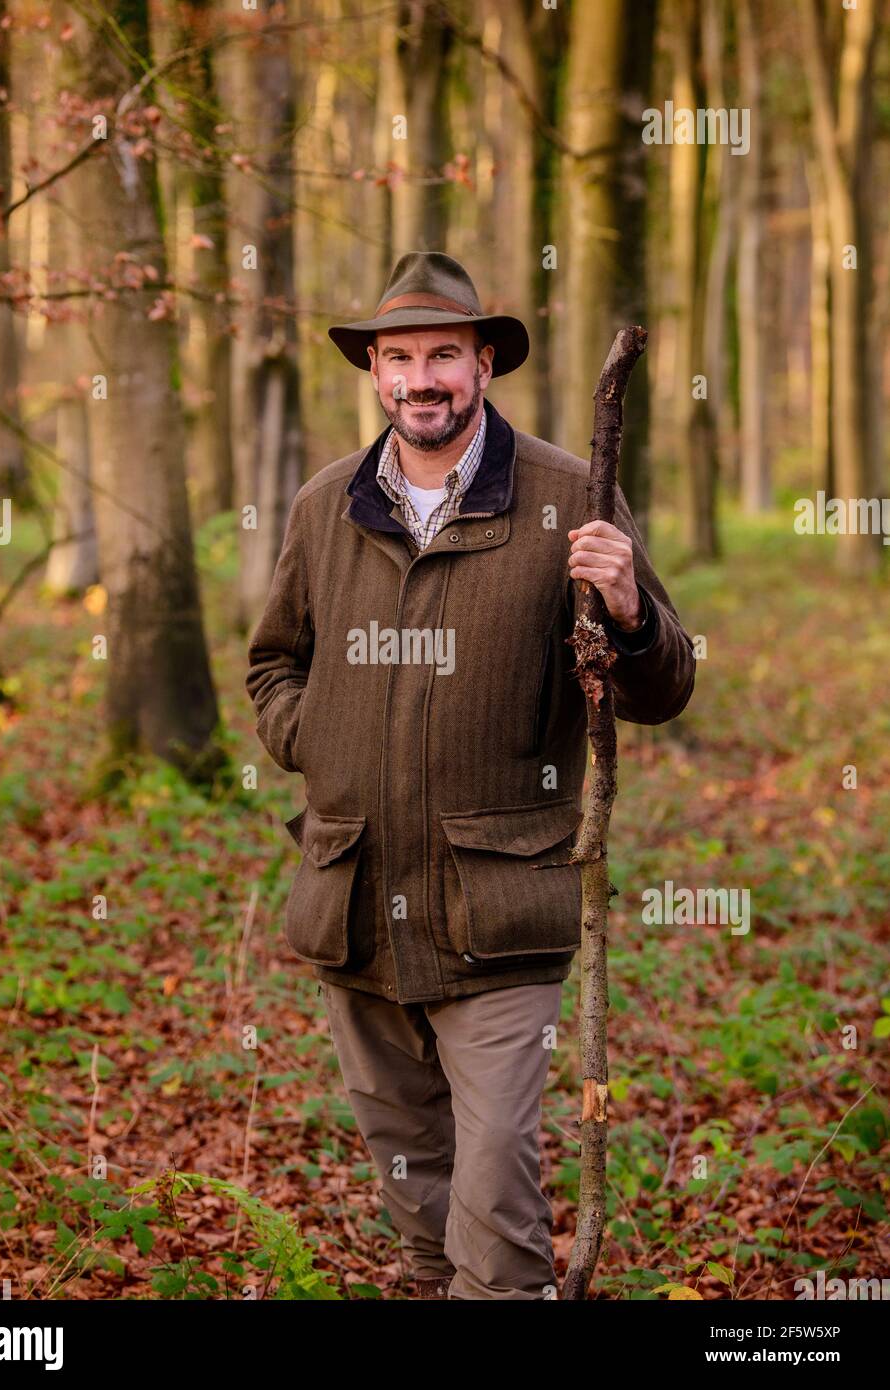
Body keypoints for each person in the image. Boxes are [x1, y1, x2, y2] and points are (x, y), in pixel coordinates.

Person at [245, 251, 696, 1300]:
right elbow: (274, 662)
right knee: (419, 1215)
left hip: (502, 909)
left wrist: (628, 612)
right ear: (373, 371)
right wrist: (319, 738)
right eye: (397, 357)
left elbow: (665, 686)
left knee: (494, 1221)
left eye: (443, 353)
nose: (420, 378)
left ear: (484, 361)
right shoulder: (327, 507)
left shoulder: (566, 498)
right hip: (355, 902)